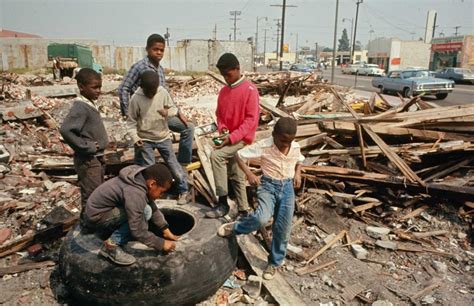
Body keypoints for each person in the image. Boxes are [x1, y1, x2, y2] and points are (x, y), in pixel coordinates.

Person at [217, 117, 303, 280]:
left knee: (283, 228)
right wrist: (249, 174)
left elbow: (300, 160)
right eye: (283, 140)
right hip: (268, 186)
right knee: (262, 218)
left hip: (287, 189)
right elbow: (238, 155)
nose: (286, 144)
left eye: (289, 141)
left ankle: (274, 263)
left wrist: (298, 172)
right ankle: (235, 228)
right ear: (274, 134)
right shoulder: (264, 145)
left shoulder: (295, 146)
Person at [118, 34, 194, 166]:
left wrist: (178, 112)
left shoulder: (160, 69)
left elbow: (166, 95)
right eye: (155, 49)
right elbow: (124, 88)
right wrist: (127, 112)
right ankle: (142, 172)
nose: (159, 52)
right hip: (145, 116)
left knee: (188, 128)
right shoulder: (139, 67)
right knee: (143, 153)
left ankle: (183, 164)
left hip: (161, 115)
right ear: (147, 49)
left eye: (162, 50)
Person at [84, 163, 179, 266]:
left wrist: (165, 230)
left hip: (100, 211)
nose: (161, 196)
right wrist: (161, 243)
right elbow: (137, 229)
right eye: (161, 192)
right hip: (97, 217)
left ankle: (113, 233)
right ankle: (110, 247)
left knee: (146, 208)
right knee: (145, 212)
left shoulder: (139, 178)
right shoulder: (135, 192)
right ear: (152, 184)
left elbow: (151, 205)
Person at [205, 53, 260, 219]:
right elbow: (220, 115)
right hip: (229, 136)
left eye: (228, 75)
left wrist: (231, 138)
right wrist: (223, 130)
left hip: (242, 138)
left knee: (216, 156)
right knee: (236, 172)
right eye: (223, 76)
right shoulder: (224, 91)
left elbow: (251, 120)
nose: (226, 79)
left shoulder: (250, 90)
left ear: (237, 69)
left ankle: (222, 203)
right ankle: (243, 210)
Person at [127, 70, 188, 205]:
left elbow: (174, 109)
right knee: (149, 169)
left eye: (154, 91)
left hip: (163, 137)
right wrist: (136, 138)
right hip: (145, 139)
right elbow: (130, 123)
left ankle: (183, 190)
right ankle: (152, 196)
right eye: (149, 92)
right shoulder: (135, 98)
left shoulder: (162, 92)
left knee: (173, 165)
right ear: (142, 88)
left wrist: (167, 112)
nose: (152, 94)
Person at [60, 68, 108, 215]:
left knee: (97, 194)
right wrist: (87, 147)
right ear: (81, 87)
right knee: (92, 198)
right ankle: (88, 230)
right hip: (88, 160)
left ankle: (92, 225)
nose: (98, 91)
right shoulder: (81, 107)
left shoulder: (88, 103)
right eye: (94, 87)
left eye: (100, 87)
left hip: (95, 159)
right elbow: (66, 130)